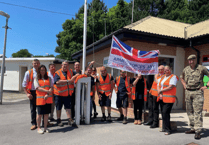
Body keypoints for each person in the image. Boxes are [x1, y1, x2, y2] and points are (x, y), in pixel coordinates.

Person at [180, 54, 209, 139]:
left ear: (195, 60)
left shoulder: (201, 68)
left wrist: (206, 86)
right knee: (189, 111)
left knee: (197, 112)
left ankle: (198, 130)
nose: (190, 62)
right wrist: (184, 84)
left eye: (192, 60)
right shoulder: (186, 69)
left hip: (198, 92)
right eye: (189, 60)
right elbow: (181, 77)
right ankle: (193, 128)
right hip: (188, 92)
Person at [54, 60, 79, 126]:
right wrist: (69, 80)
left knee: (68, 107)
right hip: (59, 94)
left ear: (68, 66)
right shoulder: (58, 72)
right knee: (58, 108)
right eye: (64, 64)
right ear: (61, 65)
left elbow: (78, 73)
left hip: (67, 94)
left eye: (66, 65)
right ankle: (59, 120)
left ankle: (69, 119)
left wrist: (75, 76)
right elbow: (57, 82)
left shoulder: (70, 71)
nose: (65, 66)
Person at [157, 66, 178, 135]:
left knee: (165, 112)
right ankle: (165, 127)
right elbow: (158, 85)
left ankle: (168, 129)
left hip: (169, 99)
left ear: (171, 70)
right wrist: (159, 93)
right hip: (162, 98)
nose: (166, 71)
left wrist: (161, 91)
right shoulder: (163, 77)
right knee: (163, 113)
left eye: (168, 70)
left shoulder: (173, 77)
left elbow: (171, 86)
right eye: (165, 70)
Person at [34, 65, 53, 134]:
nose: (42, 71)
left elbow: (51, 87)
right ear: (39, 71)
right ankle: (38, 128)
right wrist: (47, 91)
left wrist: (47, 94)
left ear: (45, 71)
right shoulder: (36, 78)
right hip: (40, 99)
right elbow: (37, 88)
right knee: (39, 114)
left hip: (48, 99)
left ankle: (45, 127)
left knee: (46, 114)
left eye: (44, 70)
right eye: (41, 70)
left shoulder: (49, 78)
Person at [22, 59, 40, 130]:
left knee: (41, 108)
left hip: (40, 92)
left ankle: (43, 122)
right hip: (32, 92)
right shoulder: (28, 72)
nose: (36, 64)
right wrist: (27, 94)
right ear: (32, 64)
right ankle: (34, 123)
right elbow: (24, 84)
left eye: (37, 63)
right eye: (34, 63)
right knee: (33, 109)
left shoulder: (42, 72)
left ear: (39, 64)